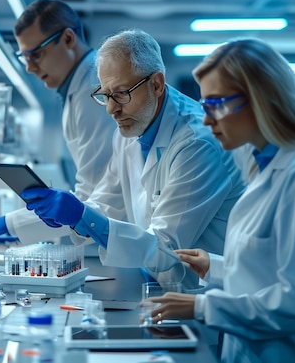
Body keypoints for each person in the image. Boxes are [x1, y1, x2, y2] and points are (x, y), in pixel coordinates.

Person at [146, 38, 295, 362]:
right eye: (205, 106)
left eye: (216, 104)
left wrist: (202, 306)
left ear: (259, 99)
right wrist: (214, 266)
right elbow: (268, 271)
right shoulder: (264, 164)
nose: (206, 119)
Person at [19, 29, 245, 289]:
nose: (111, 109)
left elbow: (166, 246)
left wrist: (82, 216)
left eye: (121, 93)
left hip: (206, 297)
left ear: (157, 84)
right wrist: (75, 216)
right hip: (162, 287)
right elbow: (106, 204)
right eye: (105, 95)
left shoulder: (197, 143)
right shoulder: (129, 130)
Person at [0, 0, 116, 254]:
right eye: (24, 57)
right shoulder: (76, 89)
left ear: (68, 39)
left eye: (36, 54)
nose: (29, 67)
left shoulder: (91, 91)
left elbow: (96, 199)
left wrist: (9, 223)